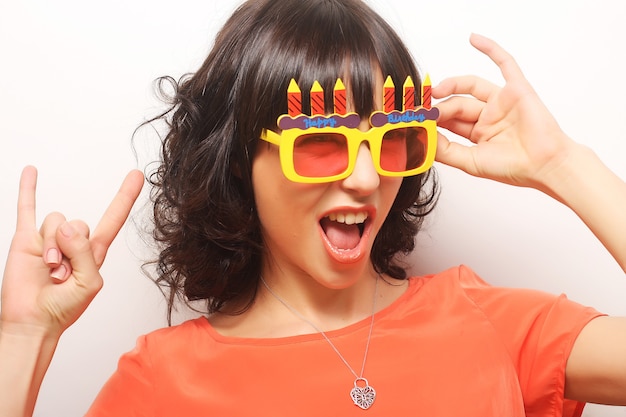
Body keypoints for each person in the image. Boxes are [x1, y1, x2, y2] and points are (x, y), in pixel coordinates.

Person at [1, 0, 625, 415]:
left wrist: (565, 166)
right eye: (322, 144)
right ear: (241, 159)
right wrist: (23, 338)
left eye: (388, 140)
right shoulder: (163, 384)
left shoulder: (488, 321)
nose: (363, 178)